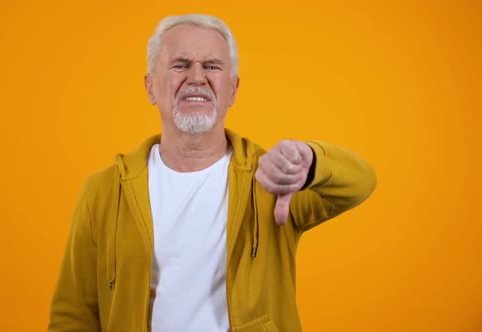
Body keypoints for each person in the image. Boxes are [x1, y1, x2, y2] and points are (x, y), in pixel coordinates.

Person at [48, 14, 376, 332]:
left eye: (211, 66)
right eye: (180, 64)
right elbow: (74, 314)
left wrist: (313, 163)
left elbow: (361, 182)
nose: (196, 77)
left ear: (232, 89)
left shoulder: (271, 181)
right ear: (150, 87)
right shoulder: (103, 191)